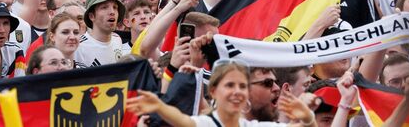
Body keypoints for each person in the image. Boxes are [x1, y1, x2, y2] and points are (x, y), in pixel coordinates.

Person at [126, 61, 318, 127]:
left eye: (242, 86)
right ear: (214, 91)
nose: (237, 92)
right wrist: (160, 107)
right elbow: (184, 121)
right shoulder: (208, 123)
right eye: (230, 85)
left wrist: (308, 117)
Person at [75, 0, 126, 67]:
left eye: (115, 7)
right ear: (92, 16)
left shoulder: (117, 39)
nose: (112, 12)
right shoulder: (79, 46)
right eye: (104, 7)